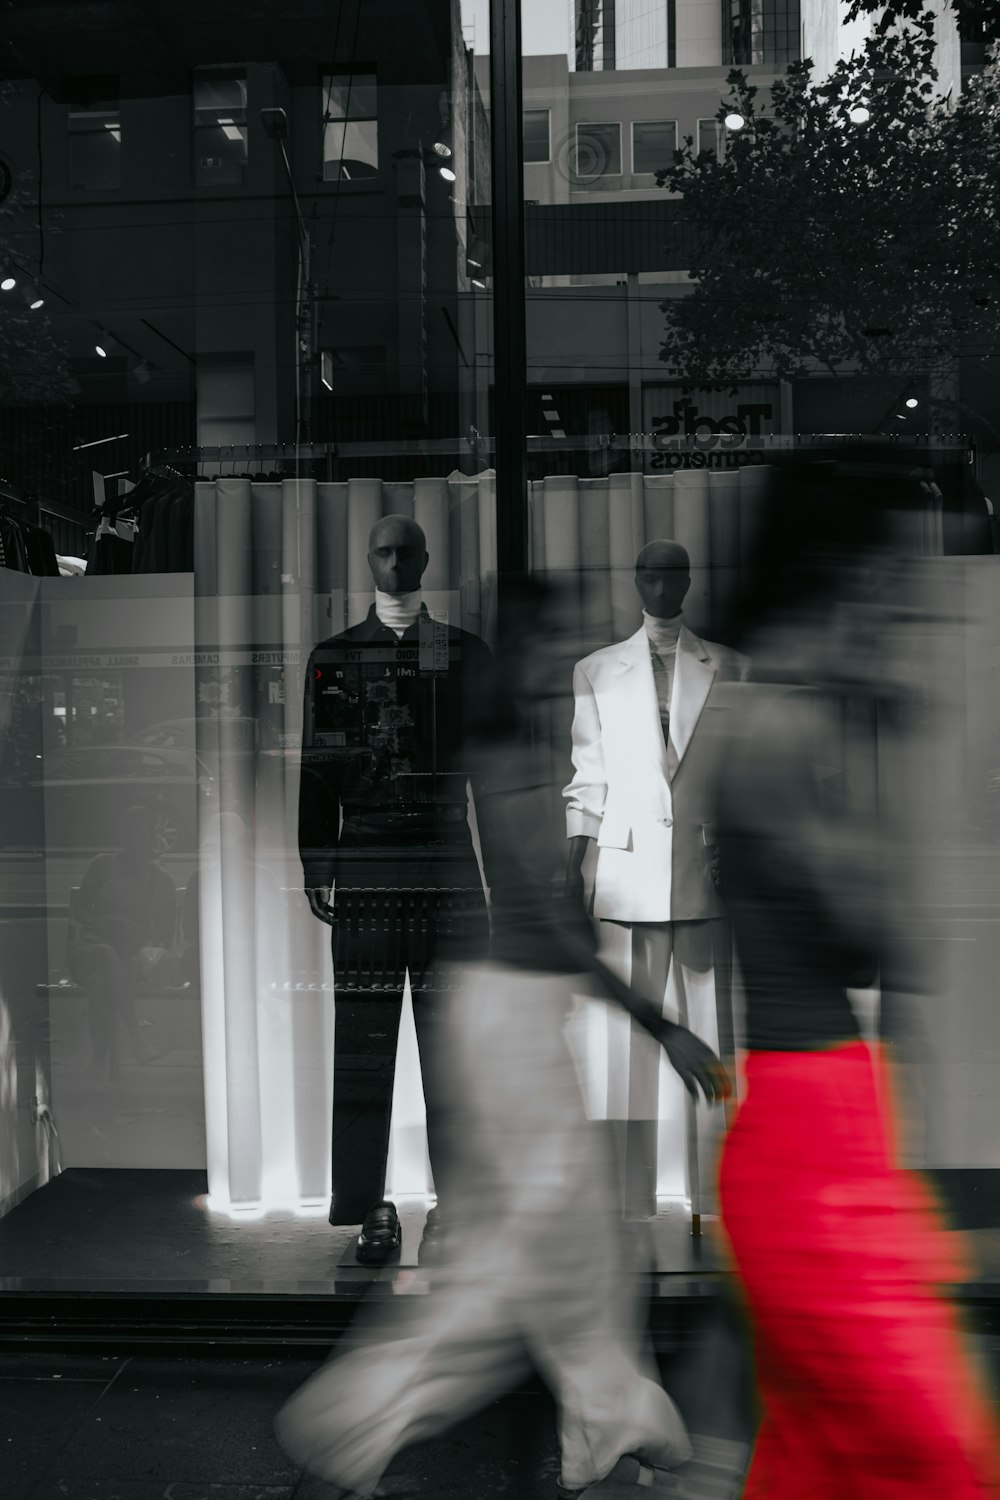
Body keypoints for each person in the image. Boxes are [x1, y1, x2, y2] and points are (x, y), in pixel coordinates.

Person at [277, 573, 729, 1500]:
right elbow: (549, 923)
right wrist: (661, 1026)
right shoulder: (505, 751)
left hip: (512, 1014)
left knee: (566, 1251)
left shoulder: (501, 741)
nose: (572, 646)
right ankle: (354, 1429)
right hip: (515, 1024)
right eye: (554, 630)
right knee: (524, 1266)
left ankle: (604, 1420)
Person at [712, 460, 999, 1500]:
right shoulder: (782, 728)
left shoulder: (785, 716)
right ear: (829, 577)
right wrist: (894, 729)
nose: (894, 606)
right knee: (940, 1462)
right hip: (808, 1141)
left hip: (827, 1120)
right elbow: (888, 931)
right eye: (882, 580)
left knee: (819, 1465)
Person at [298, 513, 494, 1262]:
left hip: (444, 854)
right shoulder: (336, 657)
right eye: (382, 550)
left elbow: (489, 769)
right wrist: (318, 859)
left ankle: (461, 1202)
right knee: (365, 1041)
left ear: (426, 557)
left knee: (454, 1044)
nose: (395, 561)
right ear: (368, 560)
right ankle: (367, 1202)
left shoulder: (464, 655)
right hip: (371, 855)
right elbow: (319, 767)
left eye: (407, 550)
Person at [564, 540, 749, 1218]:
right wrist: (576, 869)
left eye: (671, 570)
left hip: (704, 873)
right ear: (635, 579)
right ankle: (628, 1198)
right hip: (629, 869)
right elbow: (589, 778)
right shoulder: (597, 671)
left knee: (711, 1037)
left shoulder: (728, 667)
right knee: (630, 1043)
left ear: (689, 581)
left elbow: (736, 777)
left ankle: (715, 1195)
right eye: (647, 570)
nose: (660, 582)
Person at [69, 802, 177, 1081]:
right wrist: (99, 922)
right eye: (129, 833)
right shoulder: (103, 864)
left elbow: (164, 934)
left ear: (150, 837)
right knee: (103, 954)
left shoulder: (158, 880)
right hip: (89, 950)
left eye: (140, 834)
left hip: (126, 959)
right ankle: (137, 1036)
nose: (134, 840)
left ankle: (99, 1059)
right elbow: (80, 907)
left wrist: (136, 933)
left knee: (98, 983)